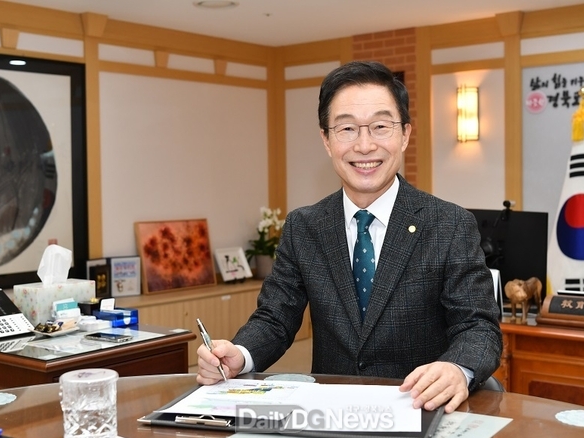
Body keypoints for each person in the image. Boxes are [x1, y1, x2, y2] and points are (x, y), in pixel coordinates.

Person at [197, 60, 502, 414]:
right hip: (328, 417)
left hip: (419, 413)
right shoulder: (304, 227)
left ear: (405, 134)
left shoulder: (449, 225)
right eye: (347, 129)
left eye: (380, 127)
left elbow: (479, 327)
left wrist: (457, 368)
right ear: (326, 140)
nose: (365, 145)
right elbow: (275, 318)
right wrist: (240, 354)